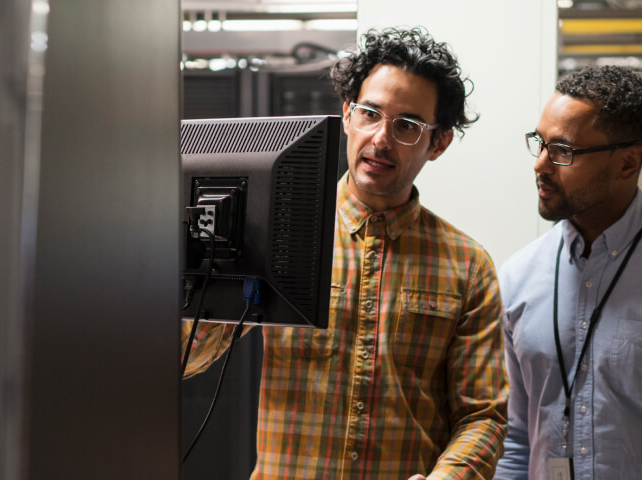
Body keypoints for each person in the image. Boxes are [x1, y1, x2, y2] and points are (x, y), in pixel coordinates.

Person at [182, 27, 507, 479]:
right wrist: (192, 267)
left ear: (439, 143)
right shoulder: (281, 234)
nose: (381, 138)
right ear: (347, 114)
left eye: (407, 126)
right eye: (370, 113)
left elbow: (483, 414)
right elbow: (188, 360)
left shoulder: (467, 266)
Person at [495, 66, 642, 480]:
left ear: (628, 163)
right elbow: (517, 440)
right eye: (539, 144)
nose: (540, 165)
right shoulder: (517, 278)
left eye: (562, 150)